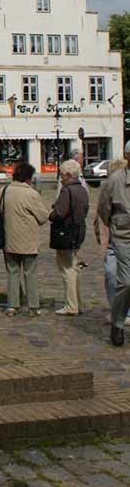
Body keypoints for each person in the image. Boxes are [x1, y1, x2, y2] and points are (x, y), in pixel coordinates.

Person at [0, 161, 50, 316]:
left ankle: (12, 305)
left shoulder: (4, 191)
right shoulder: (31, 194)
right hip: (28, 241)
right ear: (29, 178)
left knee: (12, 272)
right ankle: (33, 306)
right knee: (30, 273)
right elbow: (43, 217)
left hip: (9, 239)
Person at [98, 142, 130, 346]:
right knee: (126, 283)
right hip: (124, 238)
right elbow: (104, 209)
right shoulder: (115, 180)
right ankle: (117, 323)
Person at [49, 158, 90, 316]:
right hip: (78, 231)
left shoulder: (67, 190)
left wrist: (51, 213)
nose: (61, 177)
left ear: (68, 175)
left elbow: (60, 212)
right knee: (74, 267)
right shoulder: (82, 189)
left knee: (67, 270)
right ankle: (78, 303)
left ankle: (71, 305)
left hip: (66, 232)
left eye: (62, 174)